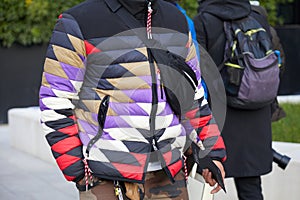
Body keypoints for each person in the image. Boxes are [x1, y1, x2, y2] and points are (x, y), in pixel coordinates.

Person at [39, 0, 226, 199]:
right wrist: (78, 173)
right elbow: (55, 101)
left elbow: (191, 95)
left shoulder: (175, 19)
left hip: (169, 173)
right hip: (105, 176)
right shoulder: (78, 22)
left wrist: (212, 152)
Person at [194, 0, 276, 199]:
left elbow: (199, 70)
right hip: (256, 111)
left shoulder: (203, 21)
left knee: (208, 186)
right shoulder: (256, 17)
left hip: (220, 113)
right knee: (251, 186)